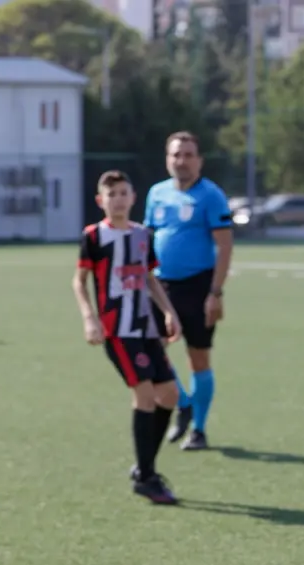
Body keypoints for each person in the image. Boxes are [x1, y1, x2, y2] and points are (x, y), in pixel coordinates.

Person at [73, 170, 183, 504]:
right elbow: (79, 281)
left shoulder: (142, 235)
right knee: (146, 395)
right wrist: (89, 318)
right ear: (100, 201)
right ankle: (147, 477)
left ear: (133, 197)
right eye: (112, 194)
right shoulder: (93, 236)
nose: (118, 199)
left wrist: (168, 312)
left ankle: (144, 467)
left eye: (123, 193)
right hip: (117, 330)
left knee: (170, 395)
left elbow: (149, 278)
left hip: (146, 327)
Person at [145, 131, 234, 450]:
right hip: (159, 285)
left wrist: (216, 292)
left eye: (187, 155)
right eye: (175, 155)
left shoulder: (210, 195)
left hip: (198, 285)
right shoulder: (156, 193)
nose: (181, 161)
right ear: (167, 159)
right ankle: (183, 403)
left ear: (199, 160)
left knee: (198, 358)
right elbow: (148, 238)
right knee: (148, 351)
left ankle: (198, 429)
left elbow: (224, 246)